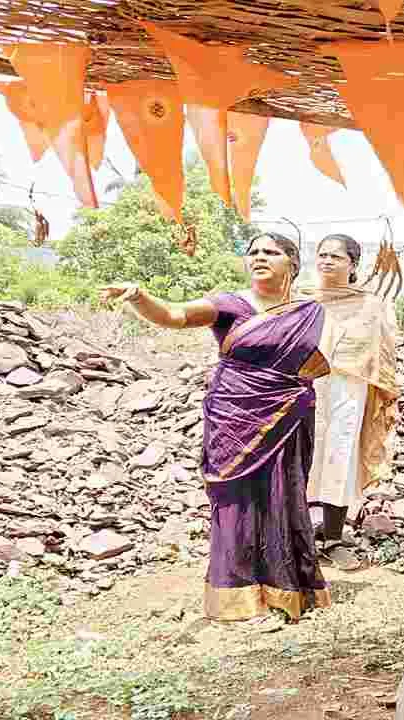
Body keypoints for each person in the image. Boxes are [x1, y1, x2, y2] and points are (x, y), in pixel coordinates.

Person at [100, 233, 331, 622]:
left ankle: (289, 587)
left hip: (289, 411)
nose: (259, 257)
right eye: (253, 252)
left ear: (291, 263)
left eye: (271, 252)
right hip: (235, 412)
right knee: (236, 498)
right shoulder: (229, 304)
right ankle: (236, 594)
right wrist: (140, 296)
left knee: (284, 494)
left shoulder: (308, 310)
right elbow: (174, 315)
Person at [304, 234, 399, 569]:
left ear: (353, 264)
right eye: (323, 255)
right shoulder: (303, 301)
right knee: (303, 456)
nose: (327, 261)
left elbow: (384, 350)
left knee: (340, 455)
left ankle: (332, 538)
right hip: (306, 386)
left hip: (351, 387)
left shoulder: (370, 305)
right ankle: (298, 537)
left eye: (337, 257)